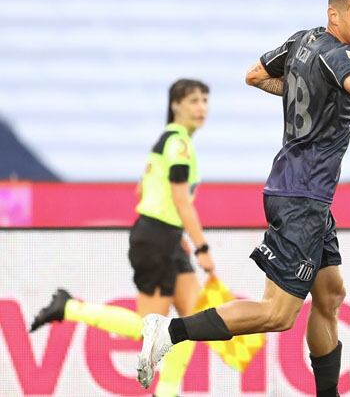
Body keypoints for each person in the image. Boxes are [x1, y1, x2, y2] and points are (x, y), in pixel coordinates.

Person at [136, 0, 350, 396]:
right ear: (334, 16)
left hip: (306, 193)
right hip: (302, 196)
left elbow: (254, 75)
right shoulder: (340, 55)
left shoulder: (302, 41)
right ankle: (170, 331)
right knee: (277, 314)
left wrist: (307, 89)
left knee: (330, 294)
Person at [30, 79, 216, 397]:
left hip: (165, 237)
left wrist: (177, 234)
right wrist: (201, 246)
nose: (202, 108)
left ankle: (167, 392)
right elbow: (181, 200)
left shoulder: (168, 142)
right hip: (157, 240)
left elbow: (142, 190)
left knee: (192, 320)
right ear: (175, 105)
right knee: (148, 328)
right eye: (194, 100)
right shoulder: (178, 145)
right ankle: (70, 307)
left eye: (205, 100)